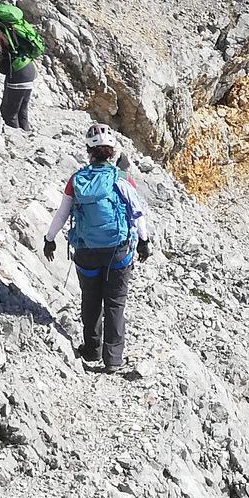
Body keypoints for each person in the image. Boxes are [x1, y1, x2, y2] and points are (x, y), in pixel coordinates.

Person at [42, 124, 151, 374]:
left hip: (86, 251)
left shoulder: (77, 180)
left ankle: (91, 349)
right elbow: (137, 212)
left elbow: (62, 214)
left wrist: (50, 239)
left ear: (88, 150)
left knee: (90, 299)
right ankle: (112, 359)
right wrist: (144, 242)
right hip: (118, 251)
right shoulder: (121, 178)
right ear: (112, 151)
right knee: (115, 302)